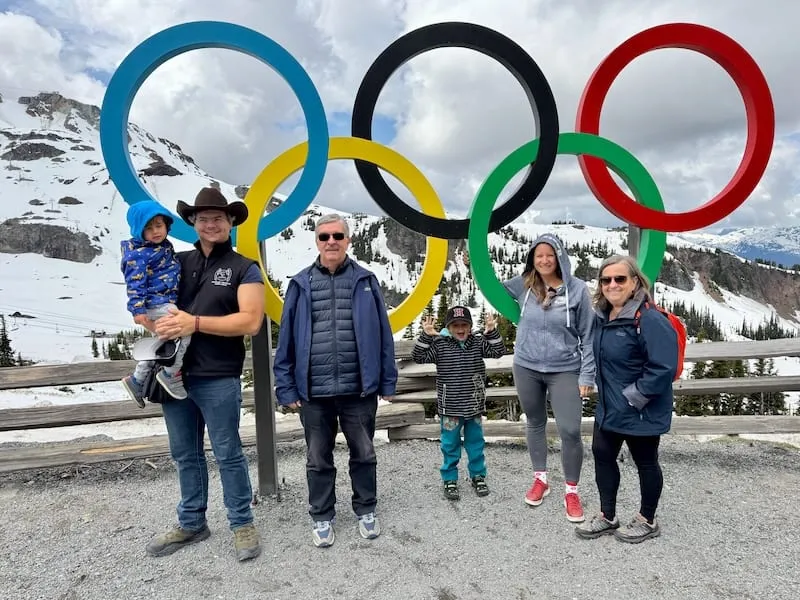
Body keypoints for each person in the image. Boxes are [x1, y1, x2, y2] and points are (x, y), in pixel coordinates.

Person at [145, 187, 265, 562]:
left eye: (217, 218)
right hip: (172, 375)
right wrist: (150, 319)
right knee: (185, 454)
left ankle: (242, 523)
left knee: (228, 453)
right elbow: (149, 302)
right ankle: (192, 522)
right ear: (193, 223)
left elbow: (251, 321)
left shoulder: (245, 268)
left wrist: (193, 323)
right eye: (202, 218)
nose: (210, 224)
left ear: (230, 223)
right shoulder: (175, 262)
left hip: (218, 375)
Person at [273, 213, 398, 548]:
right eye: (325, 236)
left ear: (348, 240)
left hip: (359, 390)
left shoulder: (366, 281)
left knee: (365, 453)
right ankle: (322, 514)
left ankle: (366, 509)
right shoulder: (300, 283)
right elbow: (286, 340)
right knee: (318, 458)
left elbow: (383, 334)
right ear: (317, 241)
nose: (331, 242)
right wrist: (286, 386)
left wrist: (387, 381)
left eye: (338, 236)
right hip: (314, 392)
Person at [468, 233, 595, 522]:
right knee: (535, 422)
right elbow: (491, 287)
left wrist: (588, 373)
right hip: (526, 366)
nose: (545, 260)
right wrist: (472, 265)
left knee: (570, 430)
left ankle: (571, 491)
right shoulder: (524, 283)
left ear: (560, 257)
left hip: (565, 368)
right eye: (539, 255)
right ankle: (541, 479)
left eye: (550, 255)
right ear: (532, 259)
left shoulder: (577, 290)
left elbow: (589, 336)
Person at [575, 254, 677, 543]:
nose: (612, 284)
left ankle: (648, 520)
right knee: (603, 456)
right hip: (610, 407)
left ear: (634, 282)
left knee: (646, 462)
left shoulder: (649, 319)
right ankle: (607, 516)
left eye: (620, 278)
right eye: (606, 280)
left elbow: (663, 366)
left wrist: (635, 397)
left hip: (640, 408)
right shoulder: (603, 317)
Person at [411, 306, 506, 500]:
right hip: (451, 407)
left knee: (475, 443)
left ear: (470, 327)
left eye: (464, 325)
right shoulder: (440, 344)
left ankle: (478, 475)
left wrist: (491, 331)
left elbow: (498, 351)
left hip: (474, 406)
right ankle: (449, 478)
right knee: (450, 445)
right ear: (449, 327)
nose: (460, 329)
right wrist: (426, 335)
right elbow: (418, 357)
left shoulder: (477, 342)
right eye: (455, 325)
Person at [120, 200, 190, 405]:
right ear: (139, 231)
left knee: (161, 342)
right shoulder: (138, 255)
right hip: (157, 303)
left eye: (159, 225)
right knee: (184, 331)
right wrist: (138, 310)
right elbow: (135, 282)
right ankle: (171, 374)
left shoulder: (163, 246)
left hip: (165, 300)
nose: (156, 231)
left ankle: (137, 380)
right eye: (148, 228)